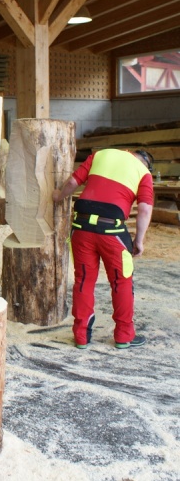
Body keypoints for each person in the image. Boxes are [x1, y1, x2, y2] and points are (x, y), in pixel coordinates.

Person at [53, 148, 154, 350]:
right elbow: (144, 209)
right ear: (146, 164)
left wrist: (58, 196)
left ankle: (81, 336)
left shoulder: (100, 154)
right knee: (121, 282)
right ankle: (123, 336)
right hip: (112, 232)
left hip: (81, 227)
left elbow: (73, 182)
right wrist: (139, 240)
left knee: (83, 280)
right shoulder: (143, 172)